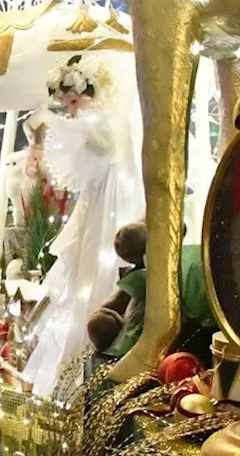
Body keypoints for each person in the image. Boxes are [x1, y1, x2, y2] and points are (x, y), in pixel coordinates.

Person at [20, 54, 146, 395]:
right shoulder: (97, 126)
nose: (72, 111)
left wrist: (51, 120)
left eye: (74, 101)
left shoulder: (106, 125)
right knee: (85, 273)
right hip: (97, 205)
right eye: (67, 105)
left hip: (112, 203)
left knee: (100, 268)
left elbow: (97, 145)